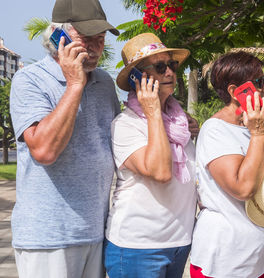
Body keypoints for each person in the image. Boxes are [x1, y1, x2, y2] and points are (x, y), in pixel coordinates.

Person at [9, 0, 120, 277]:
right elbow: (44, 151)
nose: (96, 48)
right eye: (87, 39)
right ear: (58, 36)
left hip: (96, 232)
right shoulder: (29, 80)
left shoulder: (105, 83)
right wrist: (74, 84)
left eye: (101, 39)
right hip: (47, 238)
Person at [103, 33, 197, 278]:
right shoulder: (126, 125)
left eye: (172, 65)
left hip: (178, 242)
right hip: (139, 247)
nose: (169, 73)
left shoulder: (179, 124)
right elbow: (161, 173)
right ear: (137, 77)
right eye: (159, 67)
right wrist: (153, 110)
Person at [190, 51, 264, 278]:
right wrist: (259, 134)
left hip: (256, 258)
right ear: (234, 92)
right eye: (259, 82)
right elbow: (243, 188)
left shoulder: (247, 126)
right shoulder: (215, 130)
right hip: (225, 262)